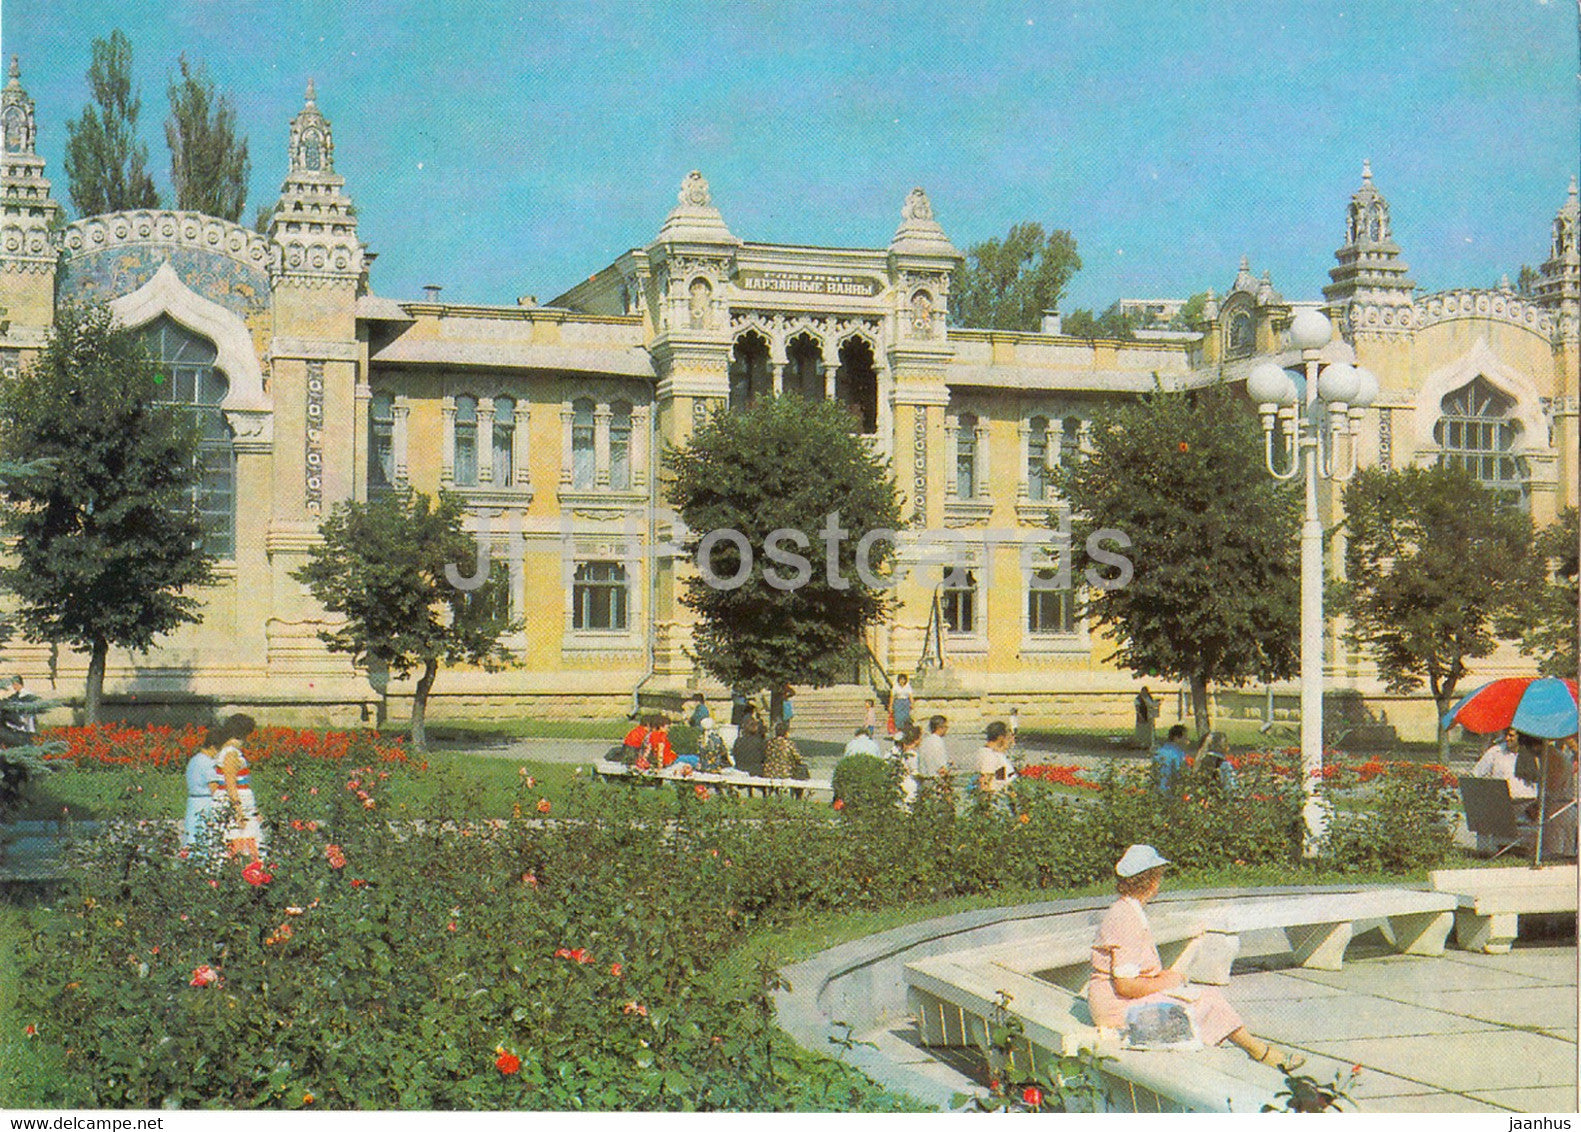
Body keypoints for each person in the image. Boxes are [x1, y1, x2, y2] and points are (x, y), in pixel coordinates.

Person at [1087, 844, 1304, 1070]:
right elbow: (1125, 985)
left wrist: (1164, 978)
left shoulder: (1126, 910)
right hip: (1118, 1012)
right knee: (1207, 1002)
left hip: (1117, 1004)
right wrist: (1165, 981)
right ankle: (1261, 1053)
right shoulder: (1126, 919)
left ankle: (1258, 1051)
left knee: (1206, 998)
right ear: (1151, 882)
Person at [216, 713, 263, 861]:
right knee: (240, 839)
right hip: (238, 803)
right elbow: (231, 785)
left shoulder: (231, 752)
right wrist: (238, 813)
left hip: (243, 802)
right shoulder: (231, 754)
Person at [181, 723, 227, 855]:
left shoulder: (194, 760)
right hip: (205, 802)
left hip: (193, 802)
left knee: (192, 837)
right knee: (205, 839)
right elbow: (214, 788)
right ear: (213, 747)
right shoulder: (208, 763)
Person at [973, 720, 1017, 797]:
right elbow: (985, 784)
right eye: (1009, 736)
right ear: (1001, 738)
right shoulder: (989, 755)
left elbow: (999, 778)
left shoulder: (995, 754)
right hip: (996, 802)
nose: (1012, 740)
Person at [731, 711, 767, 778]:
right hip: (756, 772)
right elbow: (764, 757)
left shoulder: (738, 741)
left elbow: (734, 754)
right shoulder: (760, 742)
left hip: (740, 771)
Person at [1154, 725, 1188, 795]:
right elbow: (1181, 772)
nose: (1187, 740)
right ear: (1176, 738)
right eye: (1185, 738)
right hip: (1170, 789)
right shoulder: (1177, 753)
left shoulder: (1159, 751)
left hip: (1157, 789)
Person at [917, 715, 951, 781]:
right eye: (946, 727)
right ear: (940, 728)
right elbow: (941, 765)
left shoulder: (925, 741)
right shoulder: (938, 742)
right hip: (935, 778)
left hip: (924, 778)